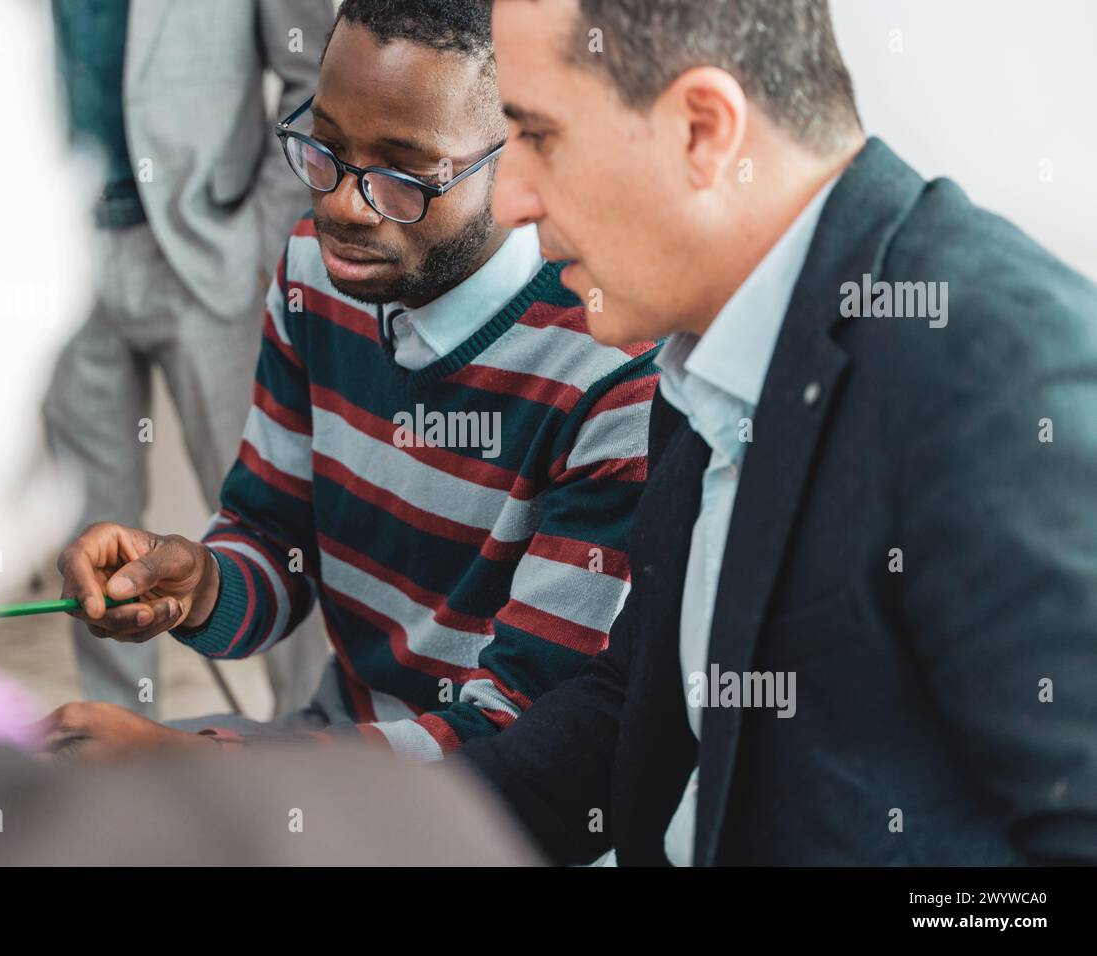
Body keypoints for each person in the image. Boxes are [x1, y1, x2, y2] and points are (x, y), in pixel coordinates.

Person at [458, 0, 1097, 865]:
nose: (507, 198)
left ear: (702, 129)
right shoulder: (702, 341)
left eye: (538, 135)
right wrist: (379, 819)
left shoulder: (996, 369)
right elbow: (642, 705)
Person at [41, 0, 660, 762]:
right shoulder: (316, 271)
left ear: (522, 153)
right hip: (343, 746)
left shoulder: (613, 371)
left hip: (485, 810)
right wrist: (197, 583)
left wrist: (201, 764)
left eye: (401, 175)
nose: (338, 205)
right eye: (324, 147)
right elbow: (274, 534)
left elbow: (521, 745)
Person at [43, 0, 335, 719]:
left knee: (272, 520)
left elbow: (316, 72)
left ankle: (316, 742)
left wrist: (267, 227)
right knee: (94, 536)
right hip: (54, 254)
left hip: (213, 252)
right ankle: (122, 755)